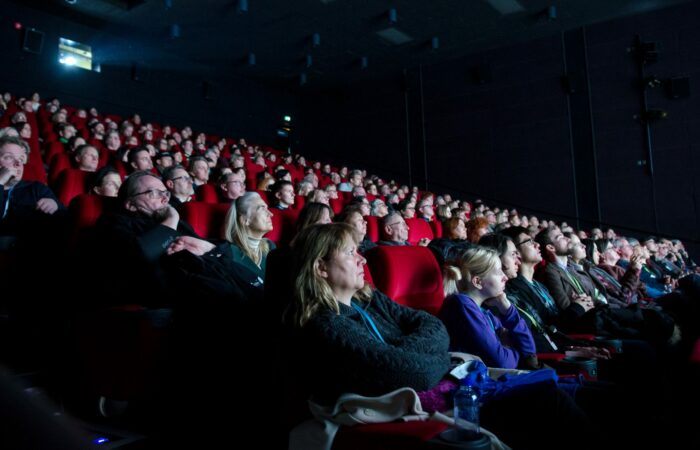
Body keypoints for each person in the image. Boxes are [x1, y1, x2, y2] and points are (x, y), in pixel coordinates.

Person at [286, 223, 600, 450]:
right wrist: (426, 355)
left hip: (452, 390)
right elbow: (419, 372)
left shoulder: (370, 299)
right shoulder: (326, 326)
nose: (363, 260)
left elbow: (434, 328)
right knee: (550, 400)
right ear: (321, 268)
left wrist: (409, 351)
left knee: (567, 395)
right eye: (351, 252)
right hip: (439, 408)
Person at [440, 245, 537, 369]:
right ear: (478, 282)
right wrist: (512, 347)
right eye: (498, 272)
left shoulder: (484, 311)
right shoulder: (463, 306)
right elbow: (503, 363)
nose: (505, 277)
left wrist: (507, 309)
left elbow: (529, 354)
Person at [222, 191, 274, 281]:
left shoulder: (270, 246)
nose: (271, 214)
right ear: (245, 220)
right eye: (262, 209)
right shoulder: (231, 253)